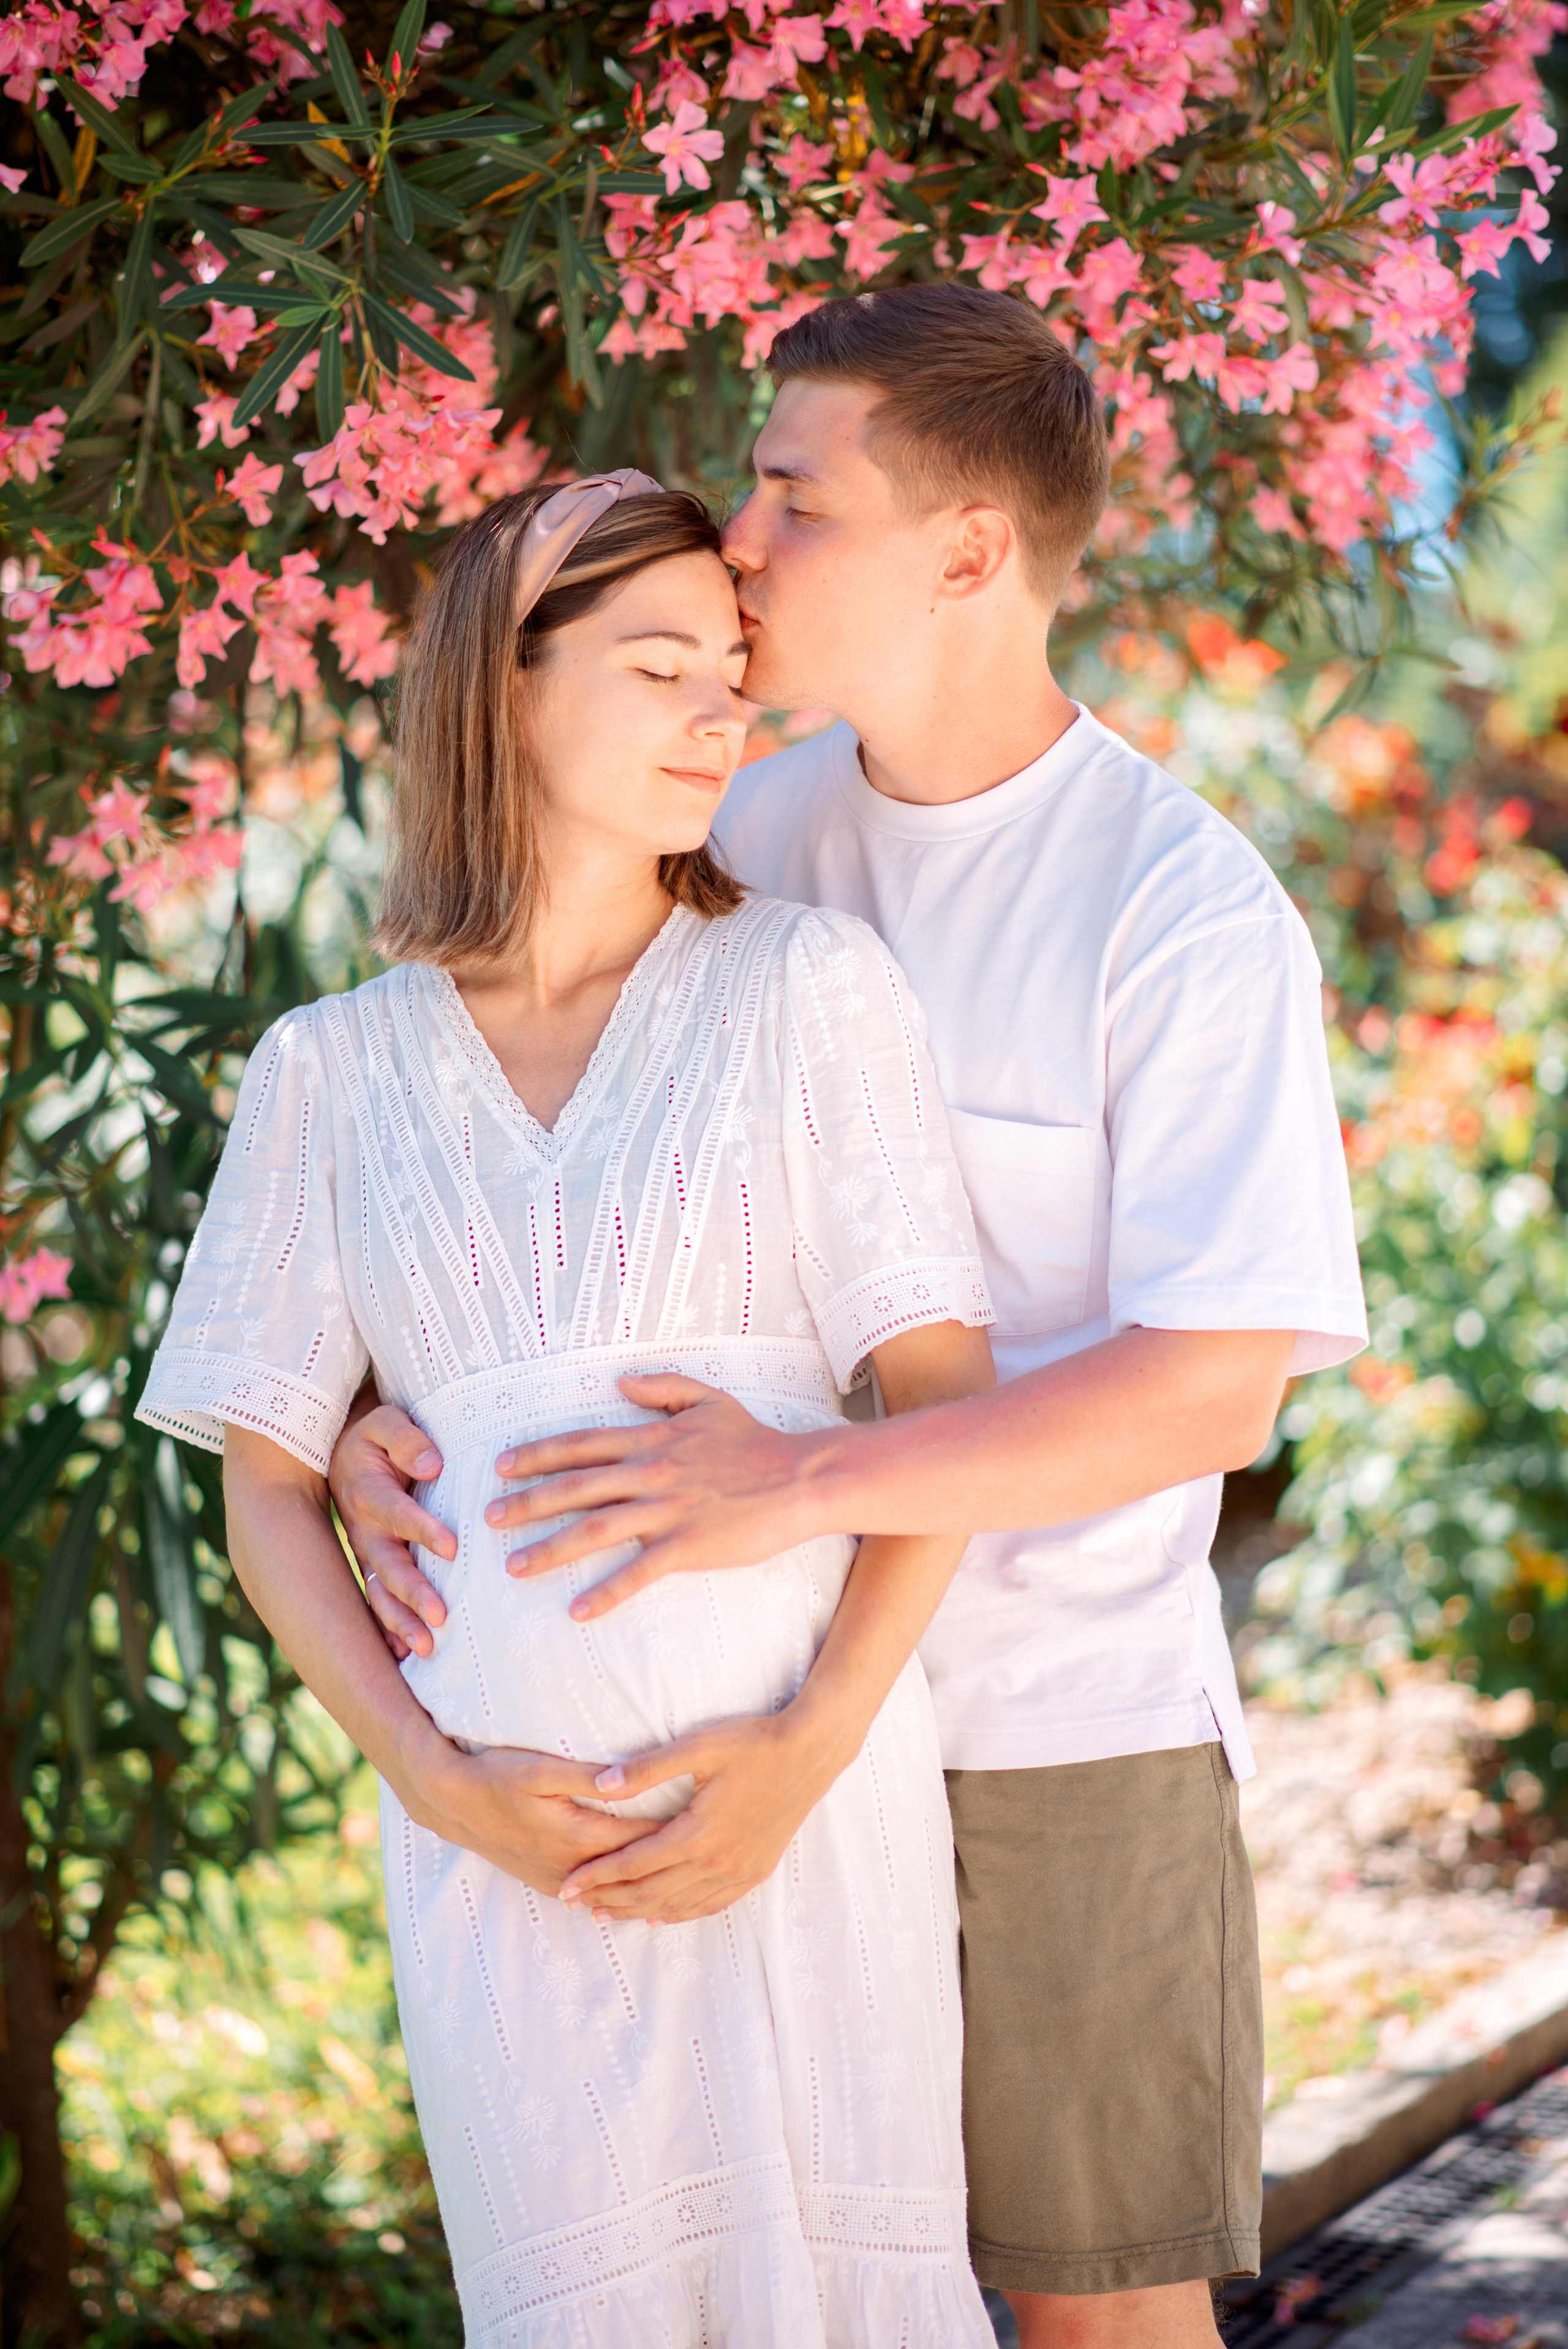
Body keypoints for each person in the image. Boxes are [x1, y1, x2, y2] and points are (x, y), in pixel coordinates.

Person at [334, 288, 1368, 2349]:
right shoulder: (742, 834)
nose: (741, 541)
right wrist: (379, 1404)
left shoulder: (1180, 911)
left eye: (798, 497)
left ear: (968, 551)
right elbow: (539, 1147)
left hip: (1053, 1736)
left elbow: (1211, 1390)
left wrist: (805, 1480)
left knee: (1095, 2320)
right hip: (736, 1733)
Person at [136, 472, 1003, 2347]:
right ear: (507, 688)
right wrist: (431, 1778)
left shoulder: (805, 986)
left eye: (731, 675)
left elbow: (944, 1406)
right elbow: (267, 1487)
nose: (720, 712)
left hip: (801, 1821)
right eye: (660, 665)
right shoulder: (327, 1070)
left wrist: (808, 1749)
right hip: (502, 1872)